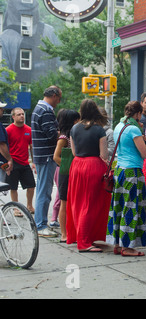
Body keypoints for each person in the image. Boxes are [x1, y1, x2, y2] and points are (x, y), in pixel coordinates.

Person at [66, 99, 112, 253]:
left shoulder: (74, 128)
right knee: (90, 204)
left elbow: (73, 152)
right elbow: (104, 154)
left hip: (77, 165)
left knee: (78, 203)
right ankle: (85, 242)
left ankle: (81, 237)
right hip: (93, 166)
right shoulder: (99, 130)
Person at [106, 101, 146, 256]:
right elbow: (144, 154)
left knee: (119, 207)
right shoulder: (133, 130)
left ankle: (117, 243)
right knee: (131, 208)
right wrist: (145, 140)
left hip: (119, 170)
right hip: (133, 172)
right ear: (138, 114)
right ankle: (128, 247)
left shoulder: (119, 126)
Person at [31, 86, 61, 237]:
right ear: (54, 95)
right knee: (44, 191)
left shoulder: (38, 108)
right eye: (59, 98)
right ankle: (41, 225)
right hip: (47, 155)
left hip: (41, 155)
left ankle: (40, 222)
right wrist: (62, 134)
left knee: (42, 190)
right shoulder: (46, 110)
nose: (59, 101)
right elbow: (51, 134)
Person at [53, 109, 80, 243]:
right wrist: (68, 166)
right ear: (73, 121)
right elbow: (56, 157)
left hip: (71, 173)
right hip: (65, 173)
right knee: (64, 202)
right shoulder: (64, 138)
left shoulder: (72, 136)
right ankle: (64, 234)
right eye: (77, 120)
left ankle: (71, 231)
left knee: (71, 202)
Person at [5, 107, 35, 215]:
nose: (21, 116)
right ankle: (16, 208)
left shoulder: (29, 130)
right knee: (13, 187)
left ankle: (29, 205)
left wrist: (34, 162)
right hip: (13, 162)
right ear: (13, 117)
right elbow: (3, 147)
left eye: (22, 114)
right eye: (18, 114)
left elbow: (31, 147)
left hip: (25, 162)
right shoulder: (8, 130)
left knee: (31, 185)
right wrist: (6, 163)